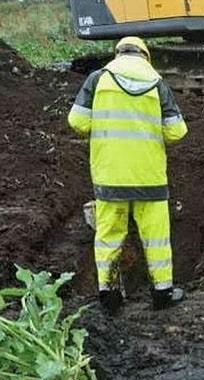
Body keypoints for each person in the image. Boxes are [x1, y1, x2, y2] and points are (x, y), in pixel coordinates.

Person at [68, 37, 188, 313]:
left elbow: (77, 121)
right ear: (145, 56)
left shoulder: (98, 79)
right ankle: (162, 294)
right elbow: (177, 131)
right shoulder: (157, 83)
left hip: (110, 176)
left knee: (109, 236)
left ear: (117, 54)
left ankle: (109, 296)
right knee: (156, 238)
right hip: (150, 177)